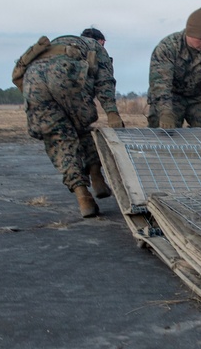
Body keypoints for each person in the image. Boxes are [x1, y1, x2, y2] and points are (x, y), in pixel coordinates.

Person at [15, 26, 124, 218]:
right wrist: (112, 113)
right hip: (64, 75)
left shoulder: (57, 43)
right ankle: (96, 174)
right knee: (82, 128)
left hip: (33, 82)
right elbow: (105, 81)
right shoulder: (96, 48)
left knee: (59, 140)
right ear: (102, 42)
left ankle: (82, 195)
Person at [146, 7, 201, 129]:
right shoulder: (168, 47)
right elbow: (160, 84)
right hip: (170, 95)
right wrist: (165, 112)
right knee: (163, 130)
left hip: (197, 94)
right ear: (190, 34)